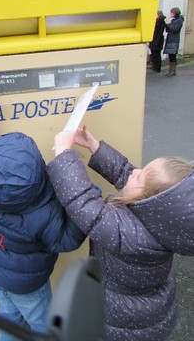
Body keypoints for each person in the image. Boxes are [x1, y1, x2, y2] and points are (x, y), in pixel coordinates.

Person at [0, 46, 86, 341]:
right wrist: (72, 173)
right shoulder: (44, 213)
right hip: (26, 282)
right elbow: (70, 237)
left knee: (8, 313)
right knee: (41, 324)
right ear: (40, 177)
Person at [46, 126, 194, 341]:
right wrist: (93, 145)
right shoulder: (164, 223)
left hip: (122, 321)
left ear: (152, 203)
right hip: (152, 310)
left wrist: (63, 152)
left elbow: (83, 203)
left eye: (140, 176)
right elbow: (126, 174)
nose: (134, 172)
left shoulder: (133, 237)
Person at [163, 7, 184, 76]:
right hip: (170, 39)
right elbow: (168, 30)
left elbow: (175, 29)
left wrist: (169, 24)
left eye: (172, 12)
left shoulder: (179, 21)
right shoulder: (173, 20)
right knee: (170, 55)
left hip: (174, 39)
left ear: (175, 13)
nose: (171, 14)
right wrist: (167, 23)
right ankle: (170, 70)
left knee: (173, 55)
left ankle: (173, 71)